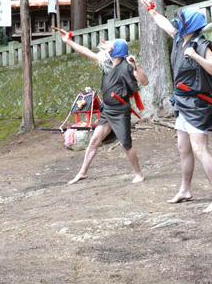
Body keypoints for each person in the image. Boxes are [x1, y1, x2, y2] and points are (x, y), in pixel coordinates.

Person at [140, 0, 212, 212]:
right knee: (183, 148)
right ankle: (185, 190)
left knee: (199, 149)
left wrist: (197, 57)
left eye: (181, 21)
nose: (177, 23)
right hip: (181, 101)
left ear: (190, 25)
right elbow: (165, 24)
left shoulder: (201, 44)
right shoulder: (179, 38)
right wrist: (152, 11)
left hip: (198, 103)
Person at [56, 32, 149, 185]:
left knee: (126, 144)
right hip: (107, 110)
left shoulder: (127, 66)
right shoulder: (106, 63)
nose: (107, 49)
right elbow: (86, 52)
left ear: (116, 51)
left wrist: (136, 65)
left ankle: (139, 174)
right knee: (93, 141)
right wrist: (68, 41)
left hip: (120, 111)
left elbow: (144, 82)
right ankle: (83, 172)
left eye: (110, 47)